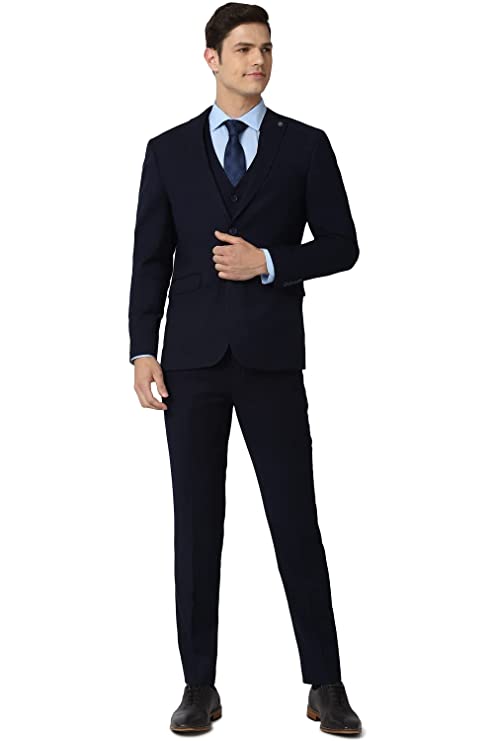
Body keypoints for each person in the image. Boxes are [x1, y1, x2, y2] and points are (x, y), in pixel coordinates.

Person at [128, 2, 362, 735]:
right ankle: (199, 686)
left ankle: (326, 683)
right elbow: (150, 258)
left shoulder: (306, 146)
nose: (257, 60)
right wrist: (141, 348)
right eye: (242, 49)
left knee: (296, 519)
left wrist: (269, 262)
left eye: (265, 48)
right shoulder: (168, 150)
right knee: (196, 525)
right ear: (211, 59)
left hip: (271, 361)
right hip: (191, 363)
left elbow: (343, 244)